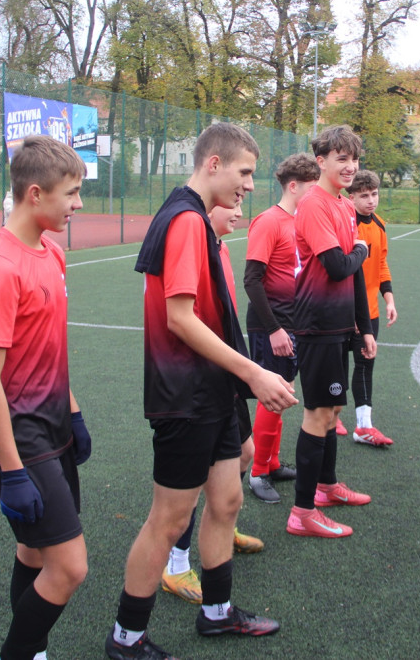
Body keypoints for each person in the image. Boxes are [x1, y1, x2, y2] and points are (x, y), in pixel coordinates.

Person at [106, 123, 296, 660]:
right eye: (244, 173)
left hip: (211, 391)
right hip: (185, 395)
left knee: (227, 498)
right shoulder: (186, 219)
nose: (249, 186)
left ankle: (217, 613)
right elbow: (180, 319)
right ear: (214, 164)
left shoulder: (191, 215)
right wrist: (253, 373)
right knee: (168, 520)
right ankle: (126, 638)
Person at [0, 135, 92, 660]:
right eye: (72, 193)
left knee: (36, 552)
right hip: (18, 434)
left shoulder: (53, 252)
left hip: (53, 423)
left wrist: (74, 414)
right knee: (70, 566)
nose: (78, 204)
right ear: (35, 193)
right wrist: (13, 470)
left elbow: (49, 347)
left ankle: (31, 651)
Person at [160, 202, 266, 606]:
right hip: (199, 382)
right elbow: (181, 319)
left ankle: (221, 522)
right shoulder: (193, 243)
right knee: (193, 480)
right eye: (232, 203)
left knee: (244, 453)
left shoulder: (220, 247)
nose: (239, 210)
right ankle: (176, 565)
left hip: (226, 373)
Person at [287, 124, 375, 539]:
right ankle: (302, 512)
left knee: (334, 410)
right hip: (317, 324)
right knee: (318, 413)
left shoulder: (344, 204)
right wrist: (361, 250)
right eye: (342, 158)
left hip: (340, 324)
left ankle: (326, 487)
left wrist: (364, 328)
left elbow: (353, 275)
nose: (350, 166)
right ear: (320, 161)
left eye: (354, 159)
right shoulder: (313, 204)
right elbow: (339, 265)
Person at [245, 152, 319, 503]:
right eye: (311, 188)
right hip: (270, 326)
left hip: (295, 323)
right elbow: (252, 280)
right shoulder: (268, 222)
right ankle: (257, 472)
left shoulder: (301, 222)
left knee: (284, 393)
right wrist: (274, 329)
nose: (316, 195)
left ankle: (272, 462)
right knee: (271, 397)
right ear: (293, 186)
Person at [344, 168, 396, 447]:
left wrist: (389, 299)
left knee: (365, 364)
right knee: (337, 365)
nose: (371, 200)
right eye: (364, 196)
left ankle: (364, 426)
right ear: (350, 196)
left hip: (370, 313)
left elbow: (381, 263)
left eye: (374, 194)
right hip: (343, 311)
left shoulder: (379, 225)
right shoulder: (345, 225)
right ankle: (331, 414)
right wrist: (350, 311)